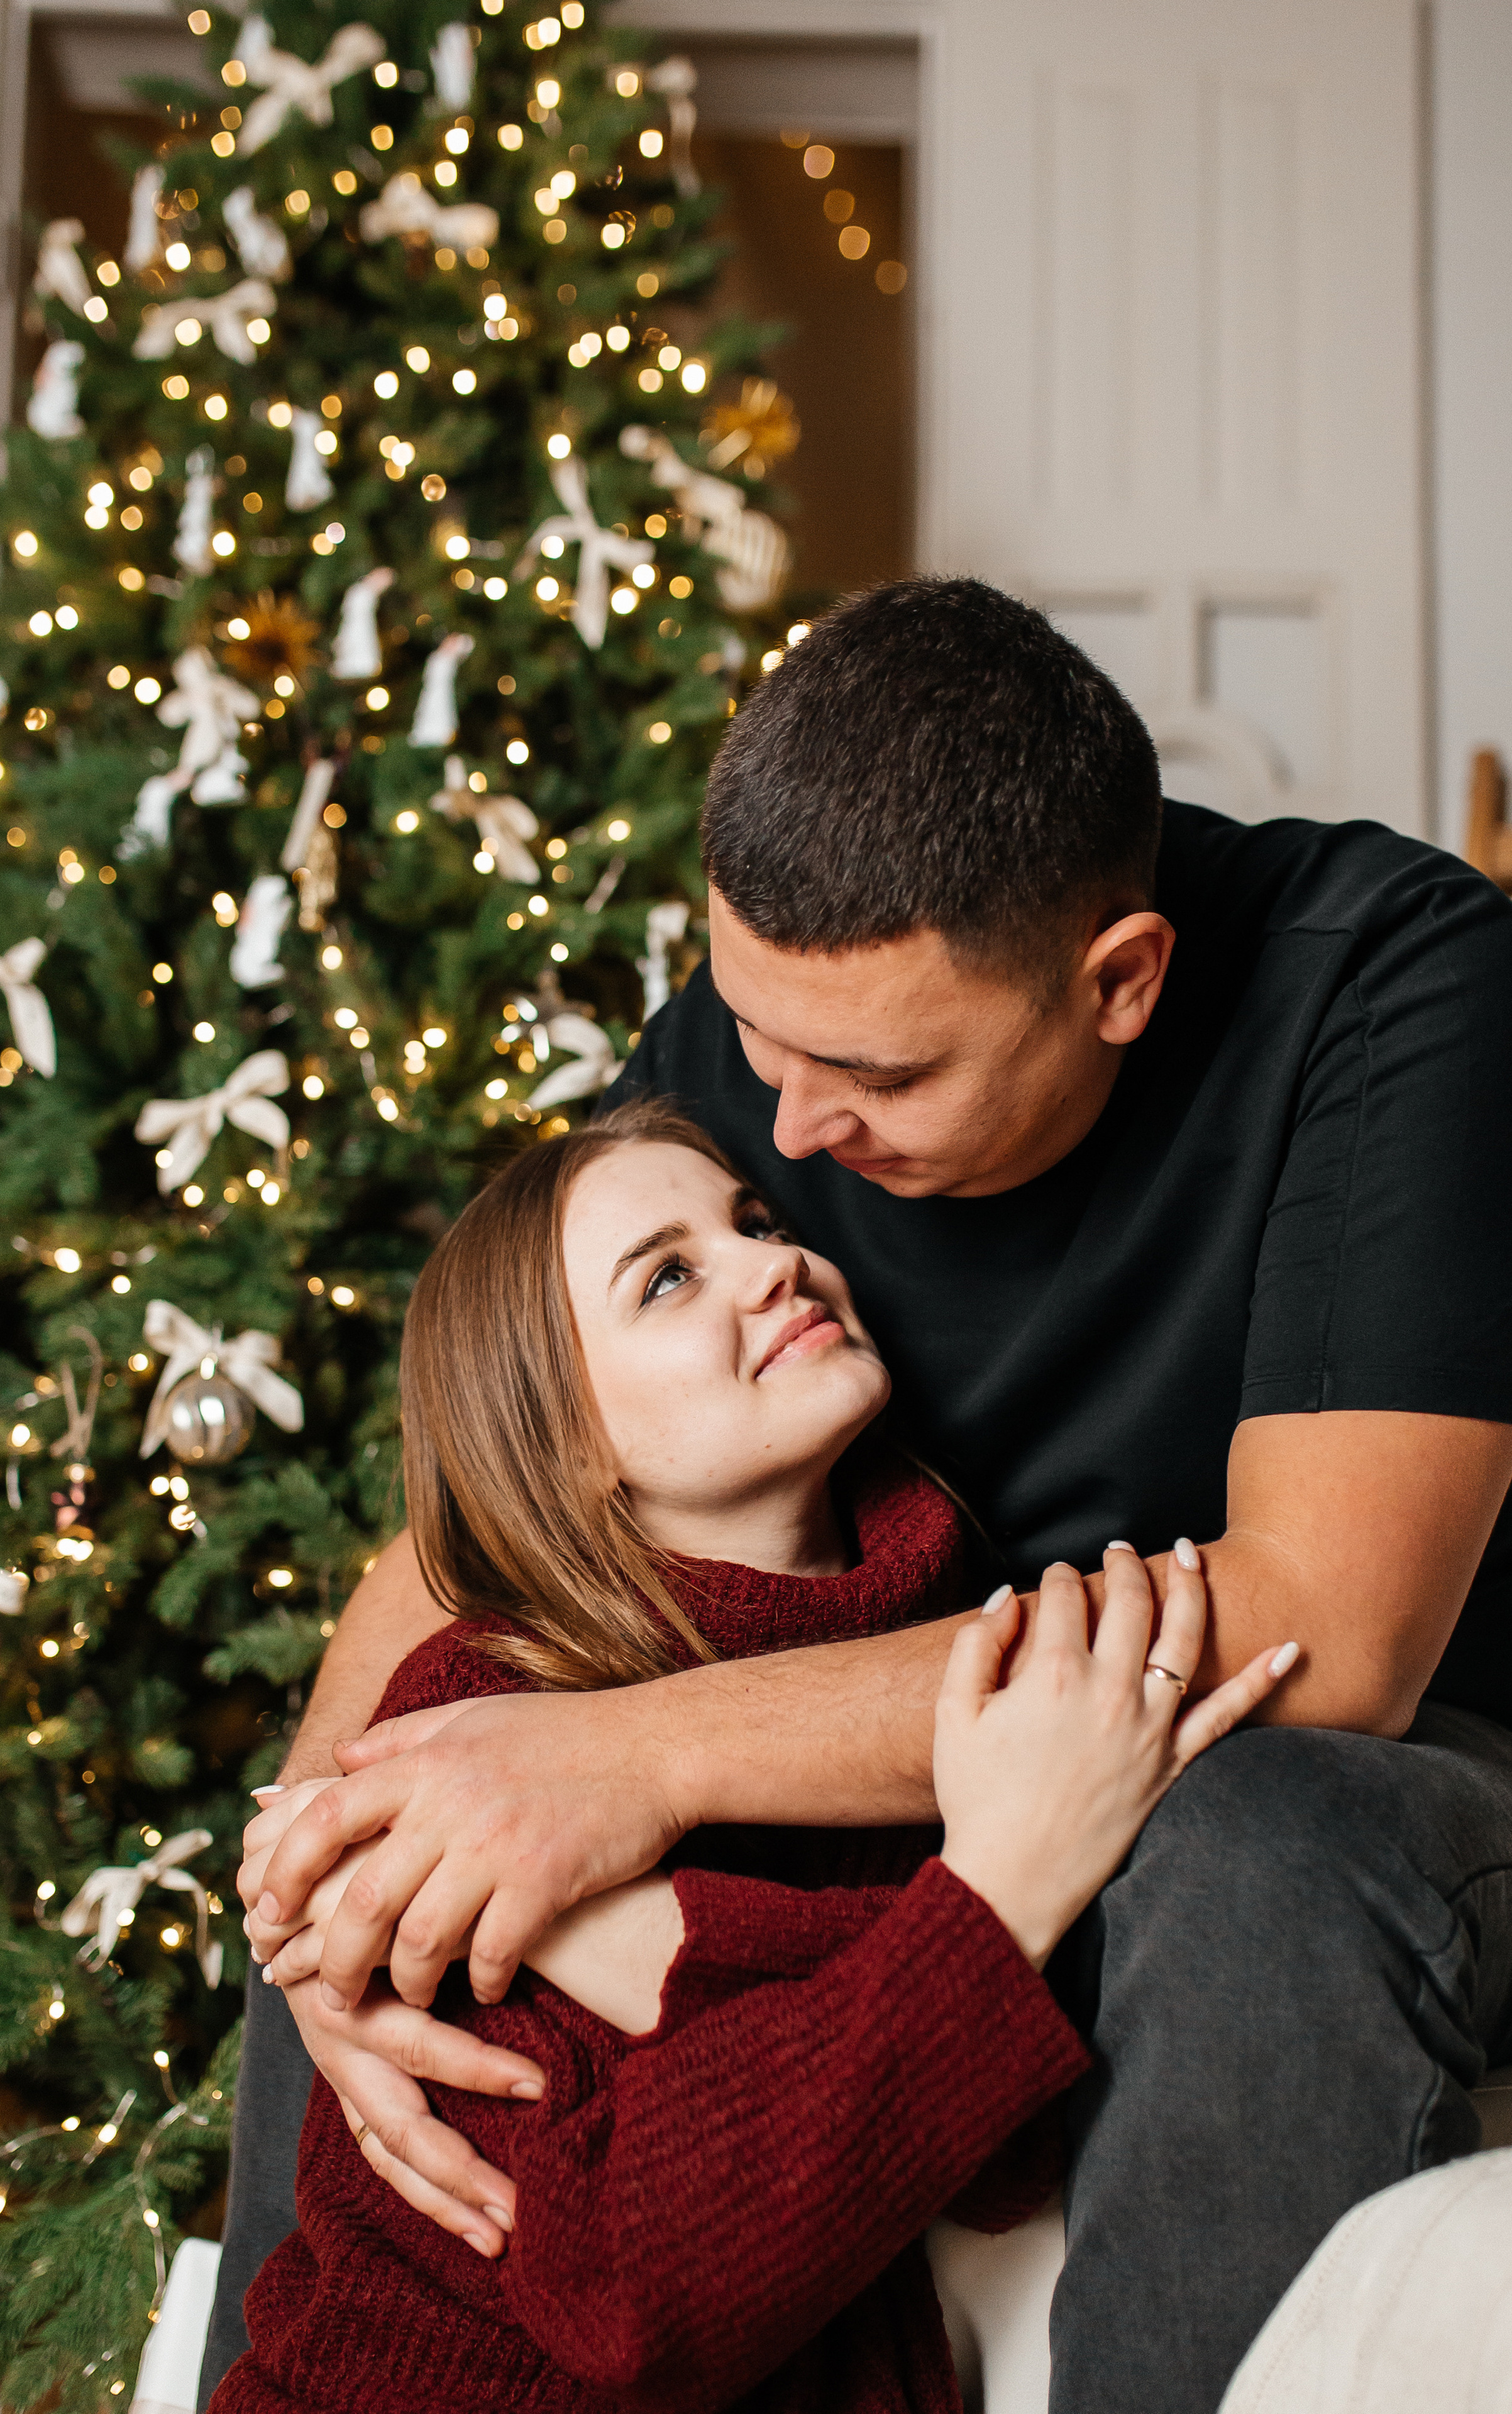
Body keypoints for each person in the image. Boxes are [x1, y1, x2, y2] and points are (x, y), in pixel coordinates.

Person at [212, 579, 1512, 2414]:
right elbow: (490, 1501)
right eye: (758, 1046)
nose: (791, 1137)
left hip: (1353, 1775)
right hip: (935, 1788)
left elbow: (1334, 1631)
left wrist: (634, 1757)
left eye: (878, 1077)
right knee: (406, 1818)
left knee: (1254, 1840)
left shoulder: (1394, 980)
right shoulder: (784, 1016)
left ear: (1120, 980)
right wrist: (318, 1876)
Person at [214, 1103, 1293, 2414]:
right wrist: (1004, 1892)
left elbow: (999, 2149)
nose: (773, 1263)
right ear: (564, 1443)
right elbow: (633, 2290)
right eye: (667, 1278)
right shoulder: (477, 1725)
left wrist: (634, 1936)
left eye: (755, 1221)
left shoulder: (935, 1647)